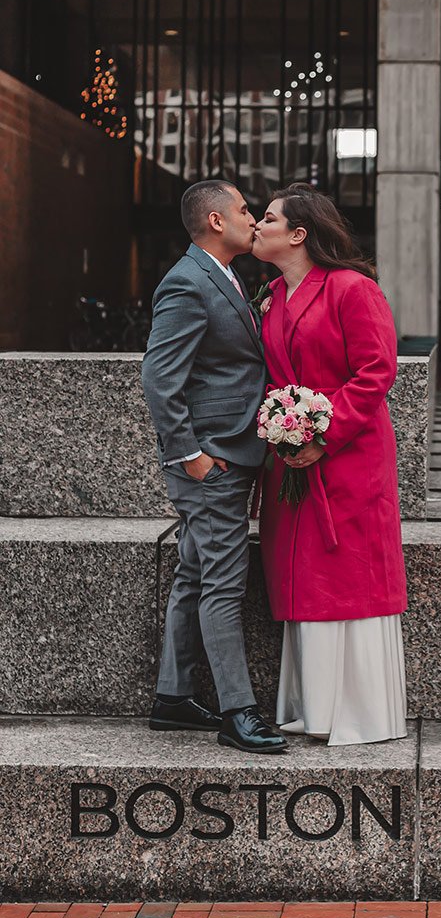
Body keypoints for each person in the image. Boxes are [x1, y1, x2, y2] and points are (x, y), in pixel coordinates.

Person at [251, 182, 409, 745]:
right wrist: (283, 431)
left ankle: (360, 713)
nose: (255, 224)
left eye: (266, 218)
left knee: (347, 572)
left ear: (298, 233)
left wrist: (325, 432)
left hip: (351, 456)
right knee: (303, 575)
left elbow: (376, 371)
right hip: (293, 459)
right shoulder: (269, 295)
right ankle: (310, 708)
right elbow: (271, 376)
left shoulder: (351, 288)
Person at [139, 179, 287, 753]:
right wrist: (192, 456)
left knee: (196, 575)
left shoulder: (224, 277)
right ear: (217, 221)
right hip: (212, 460)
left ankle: (173, 698)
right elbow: (159, 378)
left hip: (228, 453)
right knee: (224, 585)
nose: (254, 219)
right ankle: (238, 712)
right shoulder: (185, 282)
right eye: (246, 210)